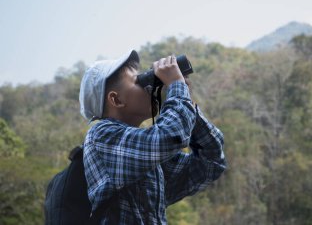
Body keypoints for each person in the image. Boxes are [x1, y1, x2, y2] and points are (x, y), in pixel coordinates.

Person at [79, 50, 226, 224]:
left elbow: (211, 163)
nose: (148, 86)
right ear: (116, 100)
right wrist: (176, 87)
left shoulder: (147, 156)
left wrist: (181, 101)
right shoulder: (101, 136)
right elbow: (170, 136)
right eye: (138, 81)